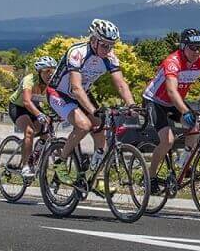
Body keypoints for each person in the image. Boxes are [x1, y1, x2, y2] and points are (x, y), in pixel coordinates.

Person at [47, 19, 136, 189]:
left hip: (82, 94)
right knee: (84, 125)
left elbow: (120, 83)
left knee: (101, 129)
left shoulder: (109, 57)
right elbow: (76, 88)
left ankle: (96, 178)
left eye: (111, 45)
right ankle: (61, 162)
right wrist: (93, 110)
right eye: (104, 45)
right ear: (93, 40)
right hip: (60, 93)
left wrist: (131, 104)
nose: (108, 49)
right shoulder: (77, 52)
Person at [143, 28, 200, 194]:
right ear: (183, 46)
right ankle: (149, 178)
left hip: (175, 102)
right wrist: (185, 112)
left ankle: (183, 162)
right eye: (192, 47)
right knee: (168, 141)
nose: (196, 51)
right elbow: (172, 91)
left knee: (195, 127)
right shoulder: (173, 61)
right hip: (155, 101)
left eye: (199, 47)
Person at [8, 56, 57, 178]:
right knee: (29, 131)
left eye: (52, 71)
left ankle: (33, 157)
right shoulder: (29, 80)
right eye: (47, 71)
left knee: (47, 134)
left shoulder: (53, 83)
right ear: (39, 72)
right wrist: (39, 114)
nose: (50, 74)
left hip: (34, 106)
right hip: (18, 107)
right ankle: (25, 166)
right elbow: (26, 101)